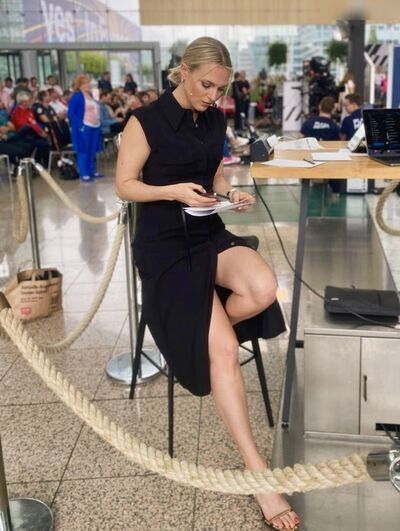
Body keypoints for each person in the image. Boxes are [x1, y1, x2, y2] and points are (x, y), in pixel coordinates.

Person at [115, 36, 300, 531]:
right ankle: (257, 474)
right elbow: (124, 185)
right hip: (163, 246)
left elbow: (214, 175)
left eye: (220, 88)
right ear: (182, 71)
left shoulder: (215, 119)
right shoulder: (145, 120)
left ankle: (198, 336)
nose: (212, 96)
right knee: (224, 351)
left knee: (263, 287)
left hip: (206, 232)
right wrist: (172, 191)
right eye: (205, 85)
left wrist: (229, 193)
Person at [68, 75, 102, 182]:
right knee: (83, 150)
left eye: (88, 82)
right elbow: (71, 113)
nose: (88, 85)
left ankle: (91, 171)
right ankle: (84, 173)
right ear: (80, 85)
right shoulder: (77, 96)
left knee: (92, 150)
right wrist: (80, 125)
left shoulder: (90, 95)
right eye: (85, 83)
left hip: (95, 126)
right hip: (84, 126)